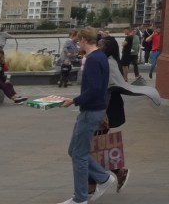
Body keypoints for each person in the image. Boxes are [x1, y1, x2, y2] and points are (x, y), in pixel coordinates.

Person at [89, 35, 162, 195]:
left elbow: (106, 92)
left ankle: (100, 182)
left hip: (106, 111)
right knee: (94, 147)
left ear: (107, 48)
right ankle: (102, 181)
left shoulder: (109, 63)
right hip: (102, 110)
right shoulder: (106, 61)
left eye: (100, 44)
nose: (97, 46)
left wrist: (102, 115)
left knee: (92, 148)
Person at [57, 28, 117, 204]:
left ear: (83, 40)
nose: (78, 45)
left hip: (90, 111)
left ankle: (80, 198)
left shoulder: (92, 60)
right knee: (74, 151)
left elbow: (94, 89)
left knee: (79, 154)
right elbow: (101, 88)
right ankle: (104, 178)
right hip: (95, 109)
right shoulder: (101, 57)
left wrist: (73, 100)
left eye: (79, 42)